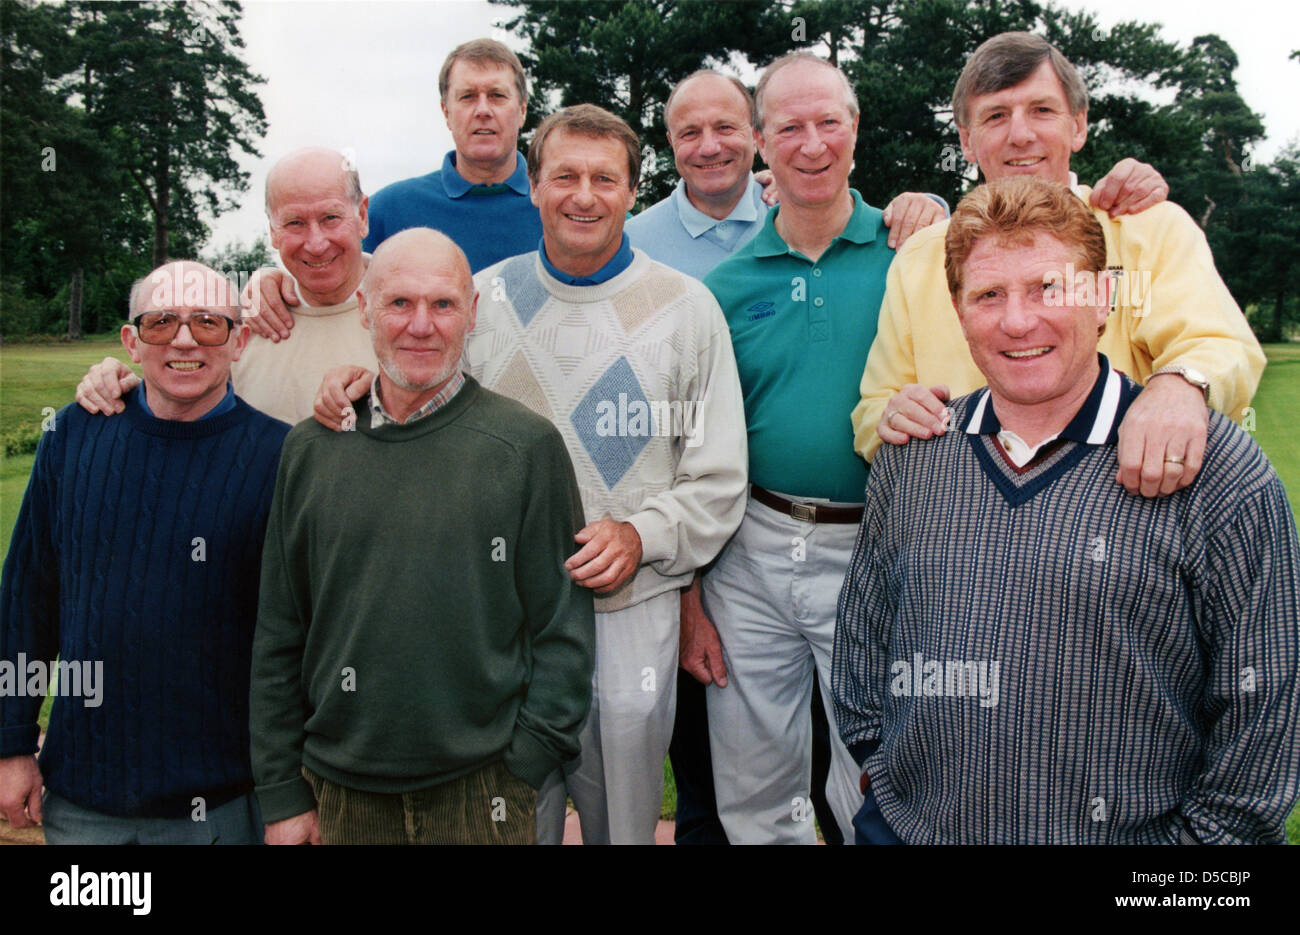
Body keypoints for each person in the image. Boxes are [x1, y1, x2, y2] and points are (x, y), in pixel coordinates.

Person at [313, 105, 749, 845]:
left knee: (623, 823)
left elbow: (717, 477)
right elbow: (418, 414)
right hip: (496, 622)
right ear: (536, 188)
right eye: (565, 176)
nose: (584, 195)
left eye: (604, 178)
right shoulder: (479, 302)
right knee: (509, 820)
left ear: (630, 192)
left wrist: (641, 536)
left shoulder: (687, 309)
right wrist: (358, 383)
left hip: (628, 613)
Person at [833, 175, 1300, 844]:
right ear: (959, 311)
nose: (1018, 320)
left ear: (1104, 296)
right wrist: (890, 788)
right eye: (989, 294)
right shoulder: (914, 456)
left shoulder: (1214, 468)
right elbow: (862, 644)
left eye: (1049, 288)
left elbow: (1268, 705)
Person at [250, 228, 594, 846]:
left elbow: (561, 629)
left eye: (443, 304)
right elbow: (280, 631)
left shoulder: (526, 448)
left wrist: (525, 763)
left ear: (471, 315)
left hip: (481, 792)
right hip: (337, 793)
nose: (421, 325)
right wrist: (281, 790)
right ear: (364, 310)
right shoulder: (310, 449)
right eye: (399, 303)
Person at [855, 31, 1266, 502]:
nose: (1021, 134)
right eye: (996, 116)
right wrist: (892, 418)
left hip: (1119, 510)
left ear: (1079, 125)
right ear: (966, 140)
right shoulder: (920, 255)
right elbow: (873, 409)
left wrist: (1180, 387)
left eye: (1042, 110)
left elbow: (1217, 345)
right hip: (962, 520)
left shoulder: (1147, 228)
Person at [0, 261, 289, 844]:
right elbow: (26, 599)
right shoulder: (72, 437)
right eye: (162, 322)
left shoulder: (280, 456)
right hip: (84, 802)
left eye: (209, 323)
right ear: (132, 342)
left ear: (240, 341)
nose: (184, 340)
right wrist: (9, 743)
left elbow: (294, 640)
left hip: (223, 804)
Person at [697, 52, 891, 845]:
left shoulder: (915, 254)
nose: (812, 144)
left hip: (881, 541)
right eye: (789, 127)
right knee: (754, 778)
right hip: (751, 546)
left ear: (855, 130)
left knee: (874, 770)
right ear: (756, 142)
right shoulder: (725, 286)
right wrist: (688, 593)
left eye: (829, 123)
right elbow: (693, 447)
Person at [247, 39, 542, 343]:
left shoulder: (556, 211)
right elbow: (326, 270)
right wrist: (269, 279)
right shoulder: (391, 209)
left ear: (521, 111)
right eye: (467, 97)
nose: (482, 110)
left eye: (496, 96)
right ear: (446, 112)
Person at [74, 147, 378, 425]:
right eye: (294, 223)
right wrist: (116, 384)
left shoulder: (411, 319)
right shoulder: (239, 323)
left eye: (330, 218)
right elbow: (182, 401)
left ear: (362, 215)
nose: (315, 243)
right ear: (272, 231)